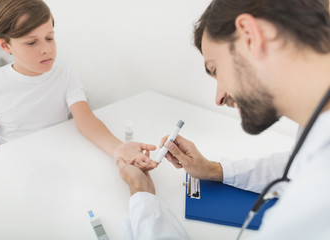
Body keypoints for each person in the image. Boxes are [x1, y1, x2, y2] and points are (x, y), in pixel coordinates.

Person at [117, 0, 330, 239]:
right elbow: (295, 166)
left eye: (215, 69)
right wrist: (213, 170)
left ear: (250, 36)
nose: (219, 98)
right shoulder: (320, 132)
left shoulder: (320, 184)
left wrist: (142, 195)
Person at [0, 0, 156, 171]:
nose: (46, 49)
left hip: (58, 163)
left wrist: (119, 148)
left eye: (49, 38)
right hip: (13, 168)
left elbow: (86, 120)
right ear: (5, 45)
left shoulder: (65, 75)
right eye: (32, 42)